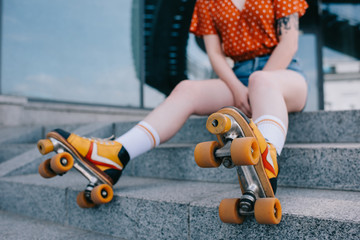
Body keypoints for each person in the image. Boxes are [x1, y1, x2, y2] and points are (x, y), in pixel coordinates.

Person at [47, 0, 308, 193]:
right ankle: (116, 154)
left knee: (261, 79)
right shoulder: (208, 2)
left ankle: (267, 157)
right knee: (186, 88)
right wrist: (240, 89)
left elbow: (289, 43)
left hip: (283, 74)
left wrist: (255, 86)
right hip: (237, 78)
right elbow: (215, 55)